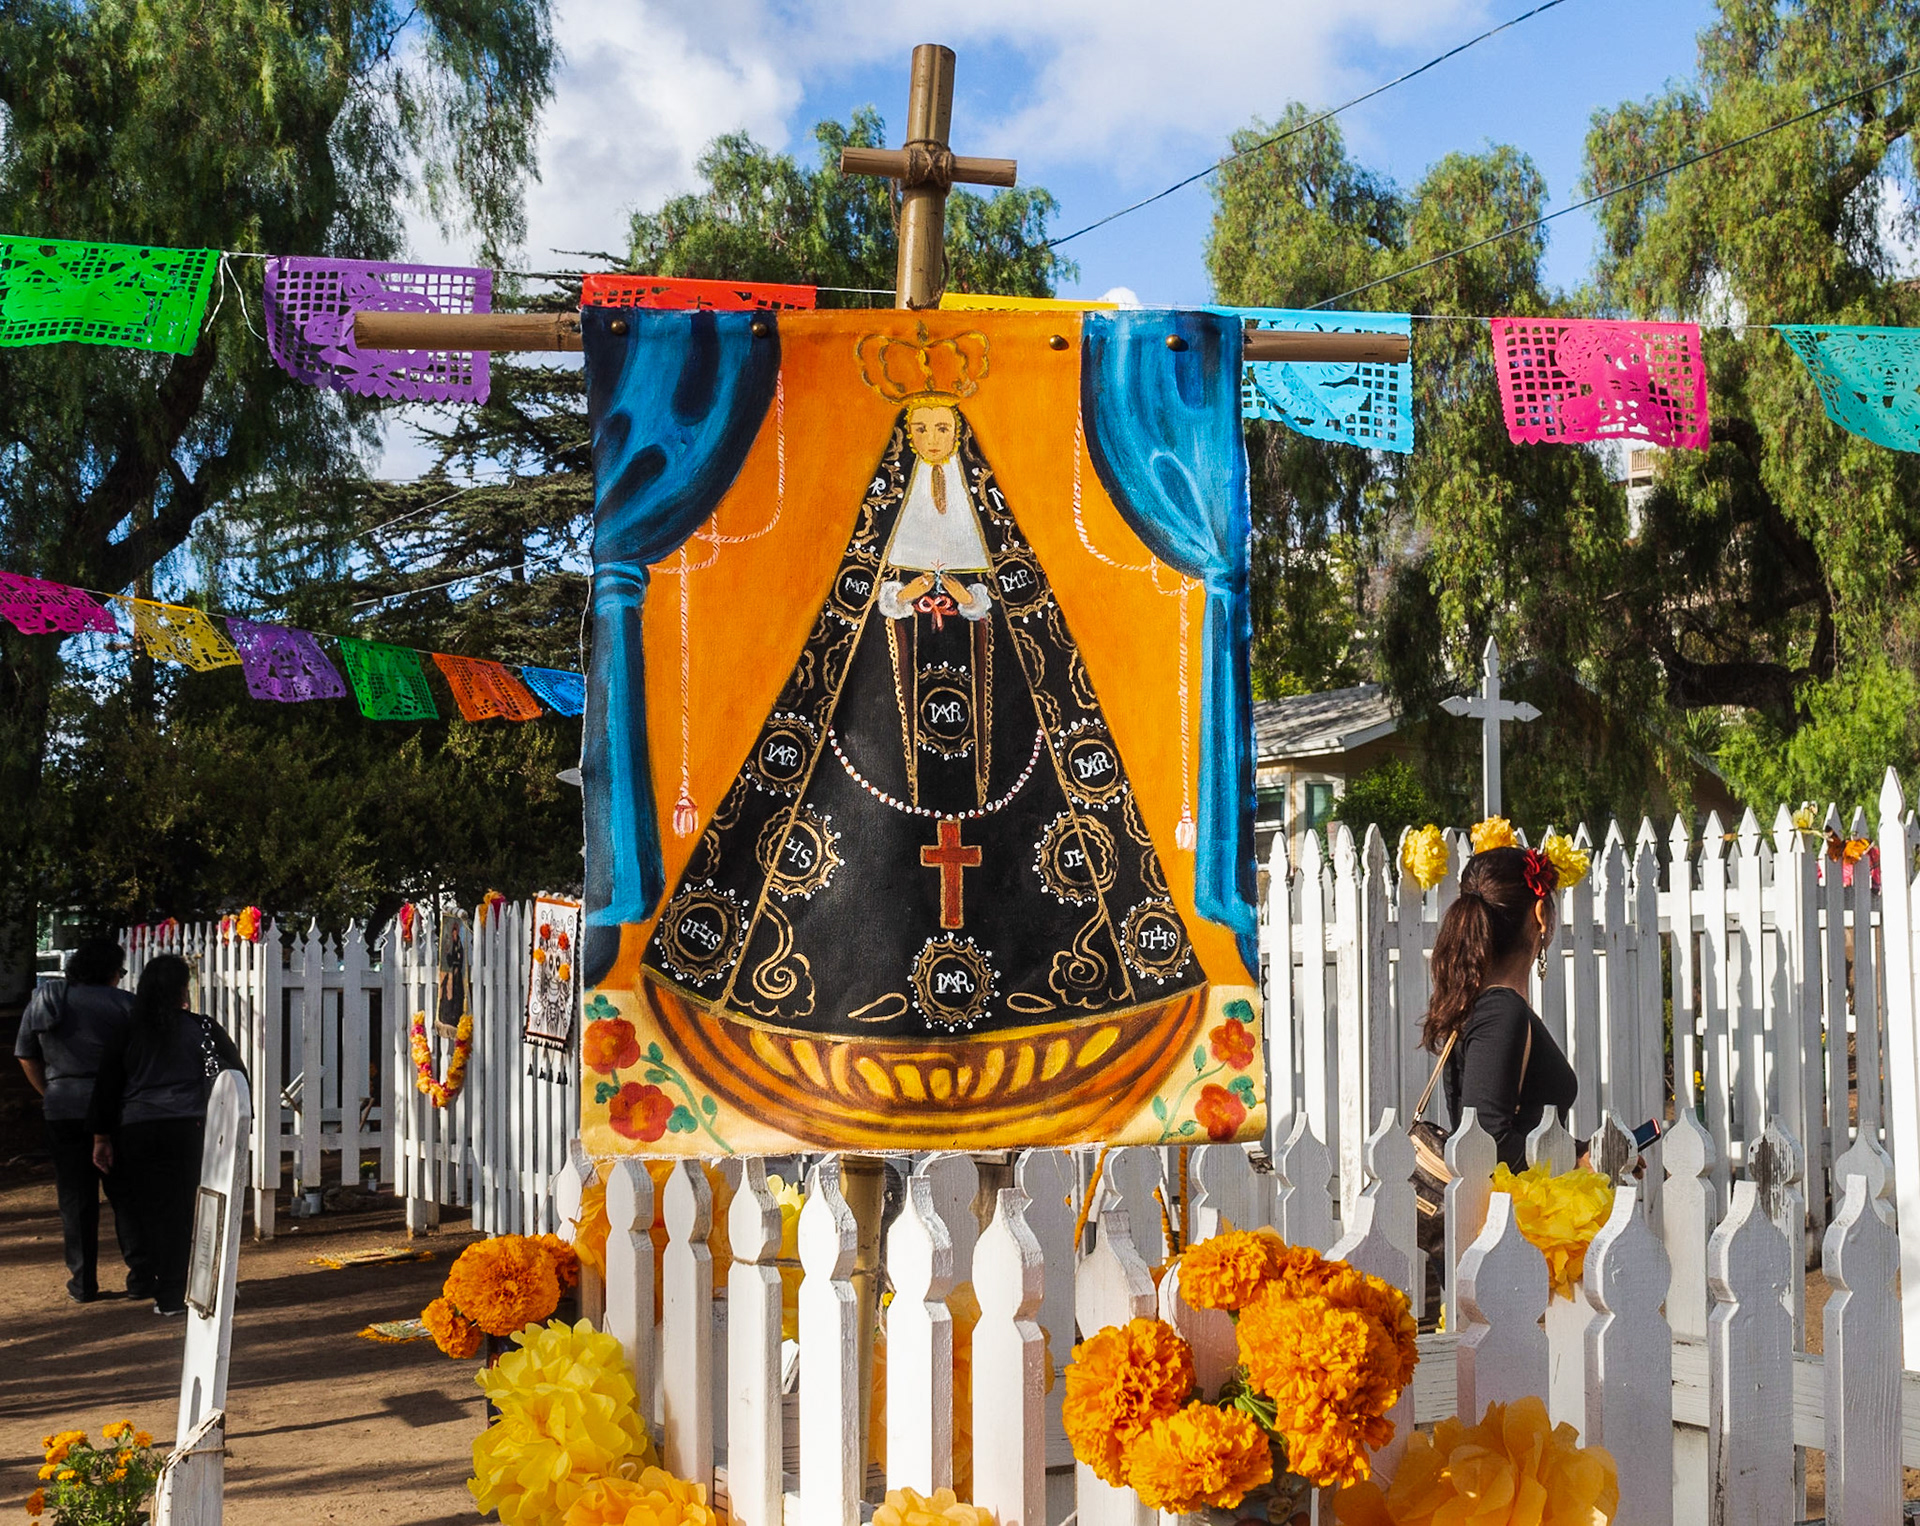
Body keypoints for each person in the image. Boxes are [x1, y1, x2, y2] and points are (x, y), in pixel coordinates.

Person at [88, 954, 245, 1316]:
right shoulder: (202, 1029)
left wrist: (101, 1137)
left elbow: (108, 1087)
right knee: (191, 1209)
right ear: (182, 989)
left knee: (152, 1213)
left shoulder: (127, 1031)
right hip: (189, 1129)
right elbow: (232, 1075)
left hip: (137, 1131)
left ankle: (167, 1288)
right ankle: (200, 1286)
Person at [1422, 845, 1578, 1171]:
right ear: (1540, 915)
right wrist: (1574, 1163)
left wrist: (1586, 1152)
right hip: (1513, 1213)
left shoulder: (1491, 1005)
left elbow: (1523, 1124)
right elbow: (1488, 1140)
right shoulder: (1501, 1011)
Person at [14, 938, 143, 1303]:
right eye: (120, 970)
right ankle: (139, 1277)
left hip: (62, 1107)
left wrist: (49, 1091)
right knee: (125, 1195)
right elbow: (140, 1060)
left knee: (75, 1198)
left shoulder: (46, 1000)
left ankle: (83, 1283)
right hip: (116, 1110)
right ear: (110, 971)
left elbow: (25, 1054)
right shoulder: (126, 1005)